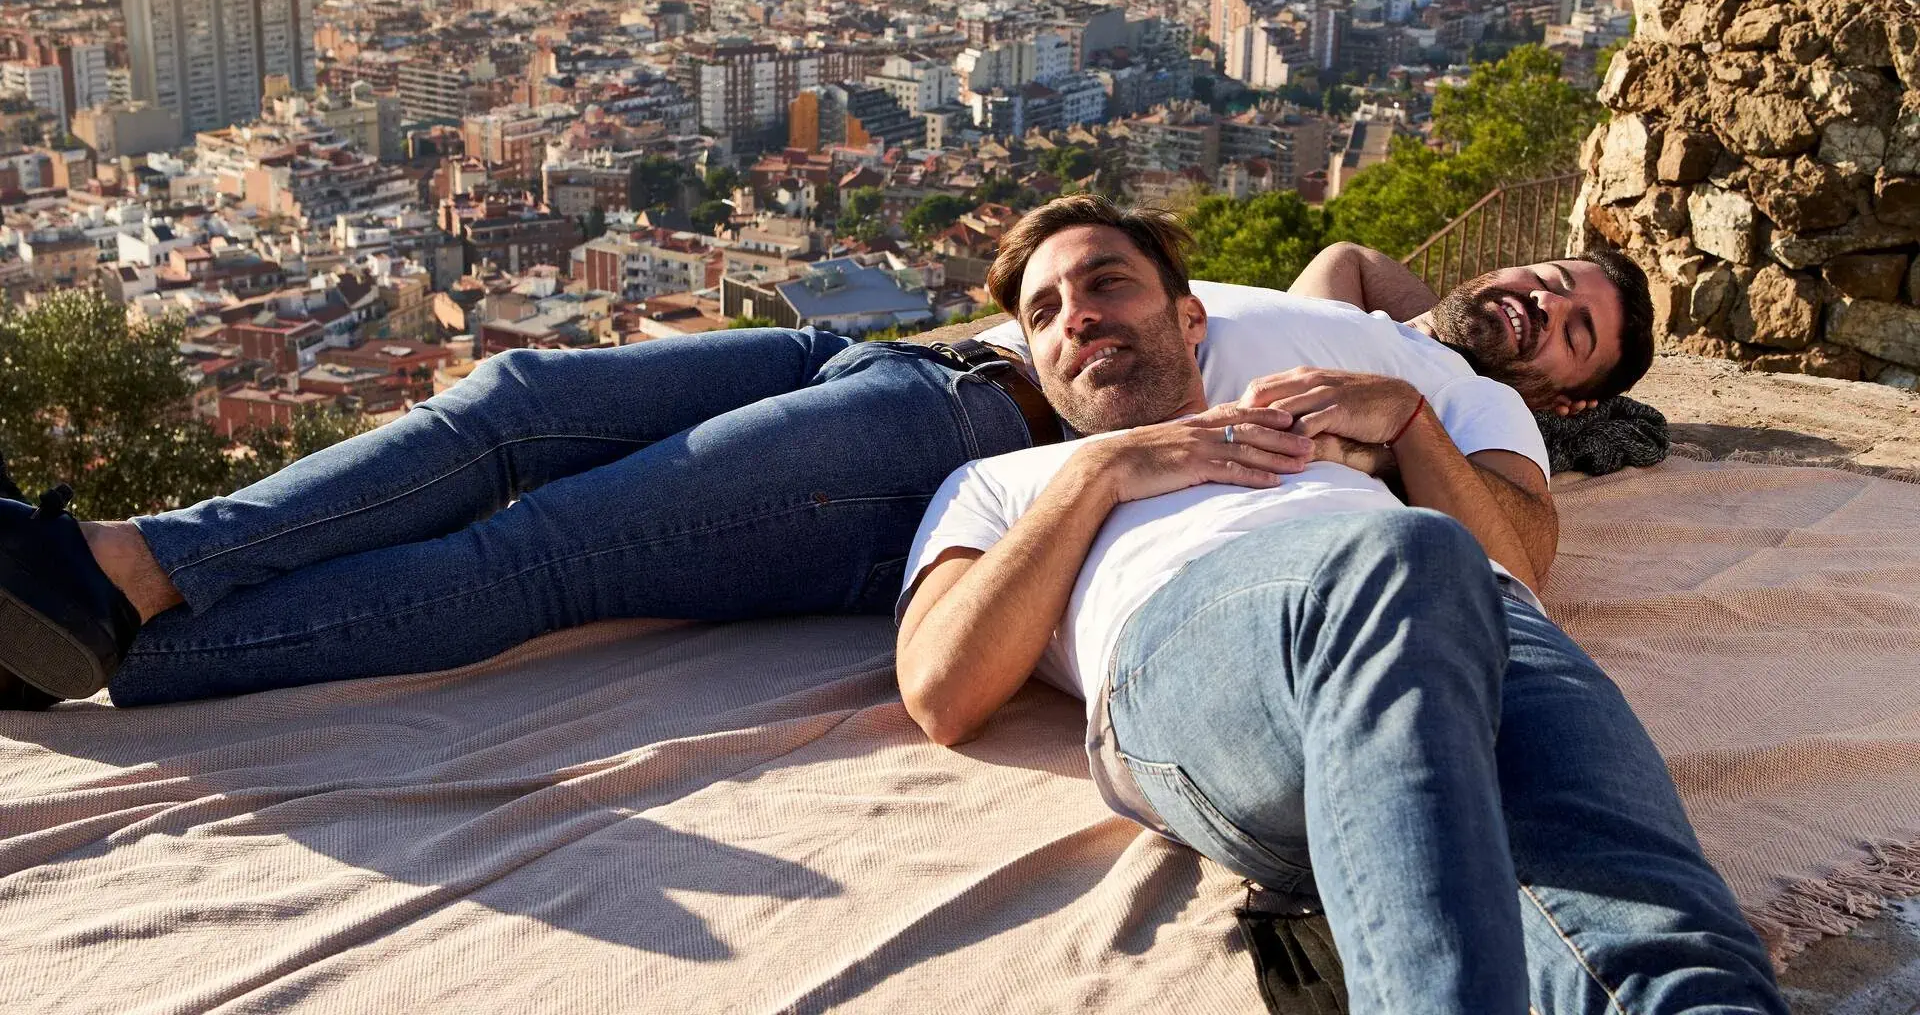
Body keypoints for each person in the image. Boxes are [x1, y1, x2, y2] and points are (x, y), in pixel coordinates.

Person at [0, 201, 1651, 712]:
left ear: (1571, 401)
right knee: (509, 399)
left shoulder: (1482, 417)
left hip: (962, 427)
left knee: (551, 549)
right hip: (916, 346)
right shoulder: (1371, 311)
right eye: (1550, 272)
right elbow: (1355, 269)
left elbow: (1515, 560)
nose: (1539, 300)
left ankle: (128, 621)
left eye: (1573, 324)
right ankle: (124, 568)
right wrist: (1394, 303)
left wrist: (1435, 399)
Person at [895, 198, 1780, 1013]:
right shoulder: (1004, 484)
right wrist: (1102, 472)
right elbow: (942, 692)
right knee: (1410, 554)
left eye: (1107, 283)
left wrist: (1406, 419)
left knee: (1669, 949)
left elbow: (1514, 559)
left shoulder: (1329, 424)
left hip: (1473, 620)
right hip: (1212, 650)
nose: (1077, 315)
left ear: (1190, 317)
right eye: (1043, 313)